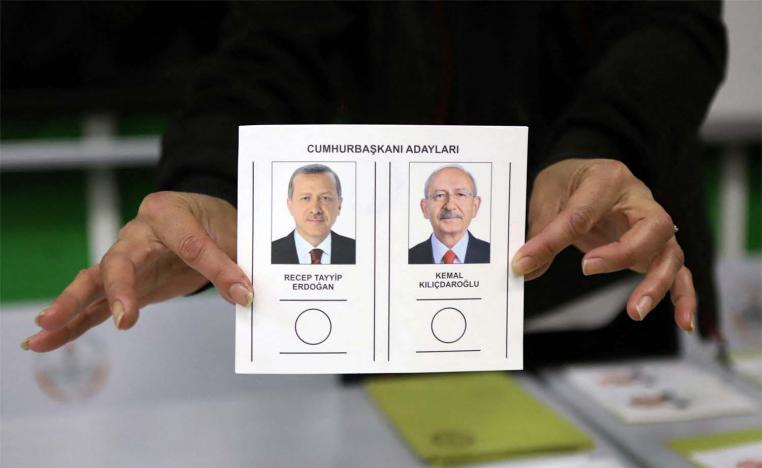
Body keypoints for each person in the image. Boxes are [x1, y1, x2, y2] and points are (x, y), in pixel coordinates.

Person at [22, 2, 726, 367]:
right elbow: (269, 50)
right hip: (389, 315)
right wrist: (210, 182)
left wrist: (599, 149)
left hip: (607, 292)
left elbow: (670, 24)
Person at [272, 163, 355, 264]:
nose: (315, 209)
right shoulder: (268, 253)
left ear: (339, 205)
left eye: (325, 198)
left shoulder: (359, 252)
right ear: (290, 205)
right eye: (306, 198)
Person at [409, 165, 489, 264]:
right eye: (440, 195)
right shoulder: (408, 258)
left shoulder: (493, 255)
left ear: (475, 206)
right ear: (425, 208)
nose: (450, 206)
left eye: (460, 194)